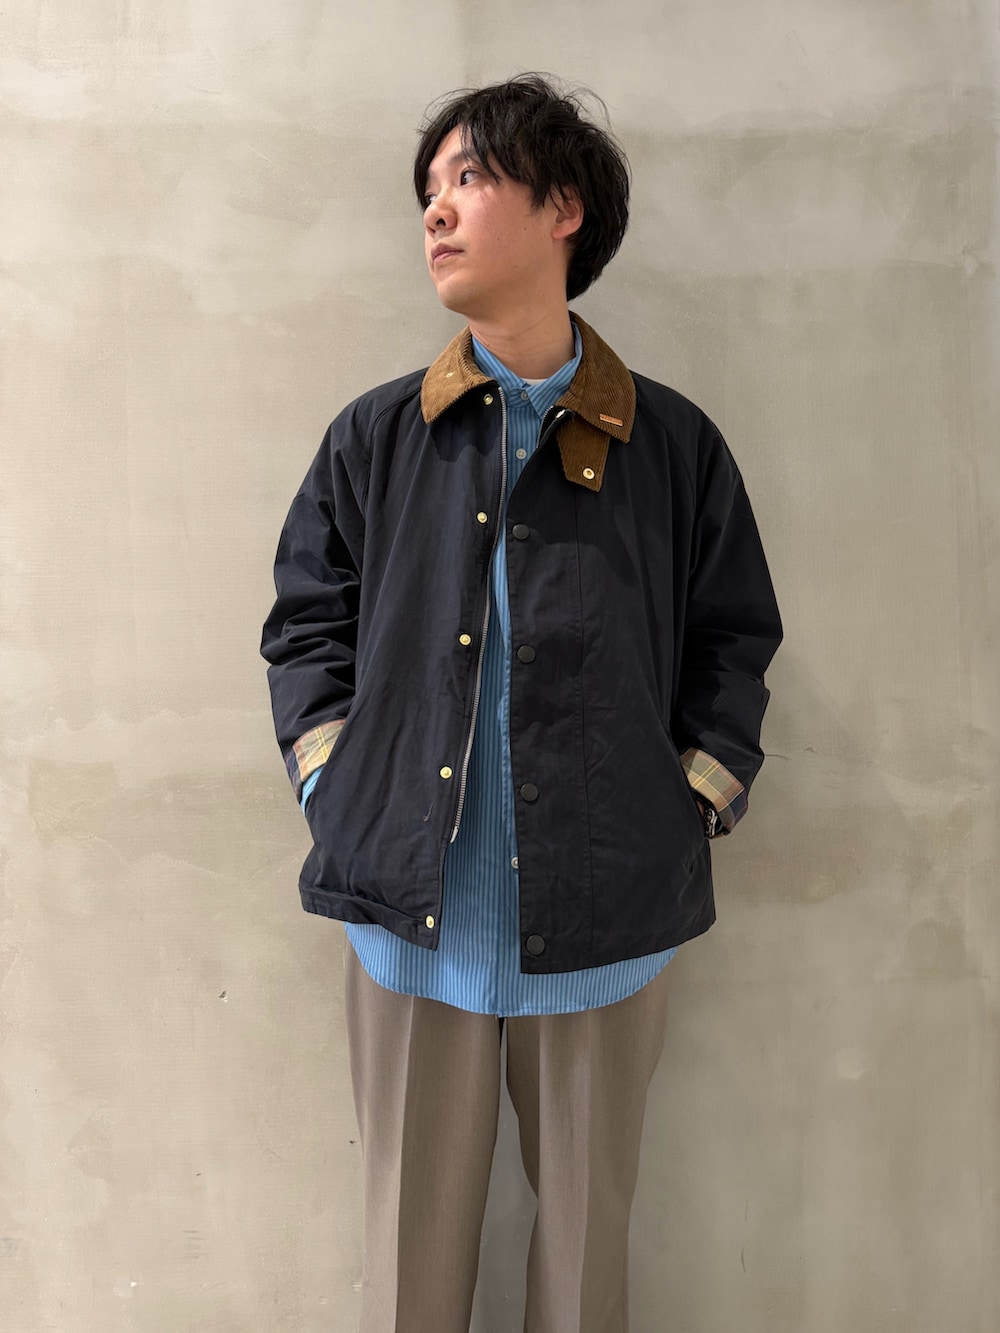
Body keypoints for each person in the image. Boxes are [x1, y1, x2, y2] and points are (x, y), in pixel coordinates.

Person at [261, 72, 782, 1333]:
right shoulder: (378, 438)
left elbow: (732, 639)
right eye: (428, 191)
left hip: (608, 918)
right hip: (407, 919)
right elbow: (305, 626)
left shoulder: (671, 446)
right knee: (408, 1272)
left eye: (469, 178)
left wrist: (691, 801)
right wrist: (335, 783)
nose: (435, 212)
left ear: (562, 208)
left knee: (584, 1268)